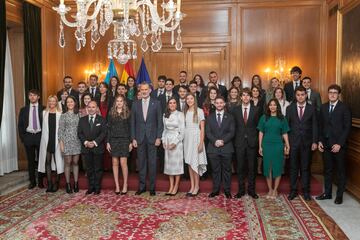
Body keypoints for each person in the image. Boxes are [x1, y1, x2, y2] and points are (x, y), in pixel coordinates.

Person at [316, 84, 351, 205]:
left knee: (341, 171)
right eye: (330, 92)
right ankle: (328, 193)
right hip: (325, 144)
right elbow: (320, 126)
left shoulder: (344, 108)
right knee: (328, 170)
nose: (332, 94)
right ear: (328, 93)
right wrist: (320, 141)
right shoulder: (324, 107)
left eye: (335, 93)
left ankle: (339, 195)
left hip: (339, 146)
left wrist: (339, 144)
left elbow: (347, 128)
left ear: (338, 95)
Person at [131, 83, 163, 196]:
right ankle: (142, 186)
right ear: (140, 90)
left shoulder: (157, 103)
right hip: (139, 138)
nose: (144, 91)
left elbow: (160, 122)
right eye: (142, 89)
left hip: (153, 138)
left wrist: (159, 137)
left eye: (146, 89)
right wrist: (133, 138)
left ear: (150, 90)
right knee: (141, 164)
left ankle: (152, 188)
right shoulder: (135, 104)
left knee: (152, 163)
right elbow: (132, 123)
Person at [286, 86, 318, 201]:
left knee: (305, 168)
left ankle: (306, 191)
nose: (300, 97)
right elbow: (287, 127)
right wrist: (287, 144)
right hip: (293, 143)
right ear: (295, 96)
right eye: (298, 95)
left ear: (306, 95)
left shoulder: (312, 109)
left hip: (307, 143)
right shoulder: (290, 108)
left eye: (302, 94)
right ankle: (293, 191)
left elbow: (315, 125)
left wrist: (314, 141)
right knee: (293, 168)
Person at [258, 99, 290, 199]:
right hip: (266, 145)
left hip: (278, 145)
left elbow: (284, 133)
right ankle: (270, 189)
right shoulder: (264, 118)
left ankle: (275, 190)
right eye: (270, 105)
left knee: (277, 167)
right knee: (268, 168)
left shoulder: (282, 118)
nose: (272, 107)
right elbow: (261, 132)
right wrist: (260, 146)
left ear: (277, 107)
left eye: (274, 105)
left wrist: (287, 145)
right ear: (268, 107)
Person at [232, 88, 260, 199]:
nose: (245, 97)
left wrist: (257, 140)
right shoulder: (235, 110)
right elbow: (234, 126)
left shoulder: (256, 109)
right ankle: (241, 190)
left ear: (251, 97)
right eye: (243, 95)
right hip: (239, 142)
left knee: (252, 168)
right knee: (240, 168)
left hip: (252, 142)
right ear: (241, 97)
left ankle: (252, 191)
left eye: (248, 95)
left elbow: (259, 127)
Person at [206, 96, 235, 199]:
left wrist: (222, 141)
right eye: (217, 103)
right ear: (214, 104)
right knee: (215, 170)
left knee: (227, 170)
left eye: (221, 103)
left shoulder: (230, 117)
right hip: (213, 148)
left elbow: (232, 132)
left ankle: (227, 190)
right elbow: (208, 132)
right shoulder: (209, 117)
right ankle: (215, 190)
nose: (219, 104)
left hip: (226, 147)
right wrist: (215, 141)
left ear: (224, 104)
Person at [78, 101, 107, 194]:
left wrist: (94, 142)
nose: (91, 109)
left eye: (93, 107)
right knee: (89, 169)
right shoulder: (82, 120)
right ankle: (91, 187)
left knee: (98, 169)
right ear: (87, 108)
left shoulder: (102, 119)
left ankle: (97, 187)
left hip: (98, 148)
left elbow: (104, 133)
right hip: (86, 148)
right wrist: (86, 142)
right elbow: (79, 133)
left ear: (96, 108)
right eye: (89, 107)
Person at [18, 89, 45, 189]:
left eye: (34, 95)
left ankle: (41, 181)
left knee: (41, 160)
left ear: (38, 97)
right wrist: (23, 138)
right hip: (28, 137)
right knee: (30, 161)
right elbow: (20, 126)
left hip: (40, 136)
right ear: (28, 97)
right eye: (30, 95)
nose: (32, 97)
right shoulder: (23, 110)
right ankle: (32, 181)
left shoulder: (44, 109)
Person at [106, 95, 132, 195]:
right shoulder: (111, 113)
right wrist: (108, 141)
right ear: (115, 102)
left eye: (121, 101)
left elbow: (130, 128)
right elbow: (108, 128)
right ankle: (117, 186)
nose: (119, 103)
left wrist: (130, 141)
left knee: (123, 163)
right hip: (113, 140)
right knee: (115, 163)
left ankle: (125, 184)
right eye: (117, 101)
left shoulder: (127, 113)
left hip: (125, 140)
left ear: (124, 102)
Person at [38, 95, 64, 192]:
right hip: (46, 140)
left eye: (54, 101)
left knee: (57, 162)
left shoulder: (60, 113)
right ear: (48, 102)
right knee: (47, 162)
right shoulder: (44, 113)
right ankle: (49, 183)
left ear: (56, 102)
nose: (52, 103)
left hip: (56, 140)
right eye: (50, 101)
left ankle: (56, 183)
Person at [184, 93, 207, 196]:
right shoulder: (185, 111)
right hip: (187, 139)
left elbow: (202, 128)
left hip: (196, 139)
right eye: (187, 99)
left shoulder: (200, 111)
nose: (189, 100)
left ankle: (197, 186)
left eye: (191, 98)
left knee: (195, 163)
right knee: (189, 162)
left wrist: (201, 143)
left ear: (194, 99)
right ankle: (192, 186)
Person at [162, 98, 185, 196]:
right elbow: (164, 129)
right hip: (167, 140)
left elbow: (182, 132)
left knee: (177, 165)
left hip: (177, 141)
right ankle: (171, 186)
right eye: (170, 103)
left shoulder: (180, 114)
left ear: (176, 104)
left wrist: (175, 143)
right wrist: (163, 140)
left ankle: (176, 186)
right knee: (169, 165)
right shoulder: (165, 115)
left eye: (174, 103)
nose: (172, 104)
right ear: (168, 104)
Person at [58, 96, 82, 194]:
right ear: (66, 104)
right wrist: (61, 144)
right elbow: (60, 131)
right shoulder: (63, 116)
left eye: (71, 102)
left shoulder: (79, 115)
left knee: (75, 162)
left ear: (75, 103)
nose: (70, 103)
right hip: (66, 141)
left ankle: (76, 183)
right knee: (67, 163)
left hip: (77, 141)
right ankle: (68, 184)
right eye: (68, 102)